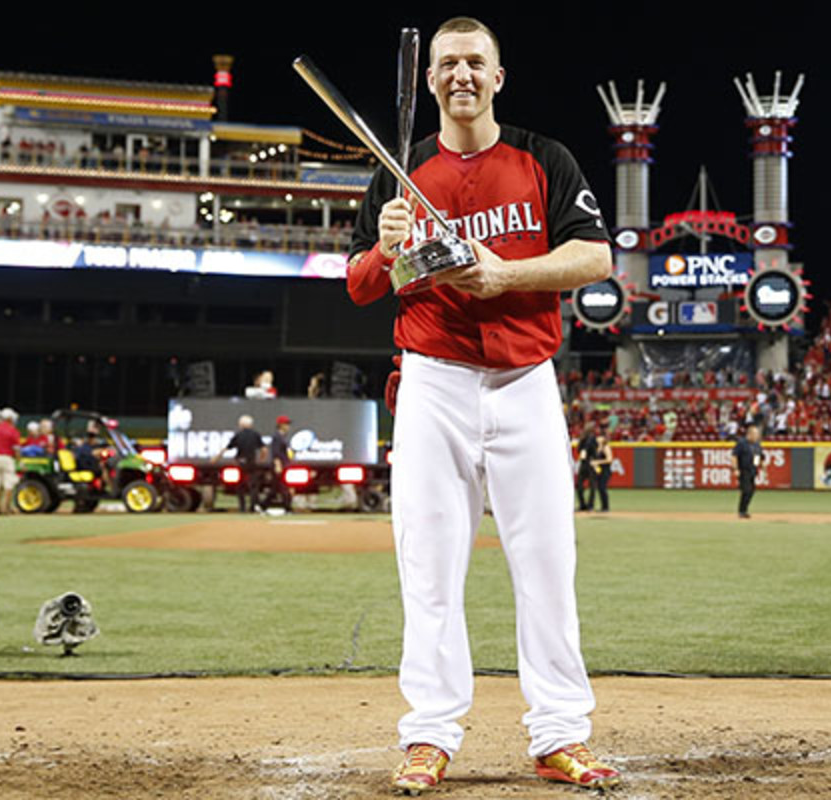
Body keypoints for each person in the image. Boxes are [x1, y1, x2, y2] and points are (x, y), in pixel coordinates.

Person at [346, 16, 620, 793]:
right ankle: (428, 736)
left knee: (547, 564)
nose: (461, 74)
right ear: (429, 80)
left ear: (498, 76)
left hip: (526, 380)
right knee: (429, 568)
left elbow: (594, 257)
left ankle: (560, 733)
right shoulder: (399, 175)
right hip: (432, 382)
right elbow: (360, 284)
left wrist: (506, 276)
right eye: (447, 64)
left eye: (475, 62)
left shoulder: (545, 159)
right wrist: (387, 245)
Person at [214, 414, 266, 513]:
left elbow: (227, 448)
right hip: (251, 463)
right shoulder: (255, 435)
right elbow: (264, 449)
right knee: (253, 486)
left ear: (241, 425)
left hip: (241, 463)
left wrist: (216, 458)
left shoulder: (238, 435)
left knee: (240, 486)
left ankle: (242, 507)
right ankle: (253, 506)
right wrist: (262, 459)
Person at [732, 423, 763, 519]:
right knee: (746, 490)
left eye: (757, 434)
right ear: (749, 434)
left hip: (752, 470)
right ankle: (741, 511)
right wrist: (735, 469)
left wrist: (760, 466)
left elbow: (758, 456)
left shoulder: (757, 445)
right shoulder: (742, 443)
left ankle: (744, 510)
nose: (757, 436)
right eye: (755, 434)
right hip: (743, 470)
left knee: (752, 490)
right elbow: (734, 456)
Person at [268, 414, 293, 512]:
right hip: (280, 465)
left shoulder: (283, 436)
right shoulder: (277, 437)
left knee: (277, 488)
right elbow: (276, 452)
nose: (288, 426)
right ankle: (287, 508)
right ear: (281, 425)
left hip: (284, 465)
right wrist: (278, 465)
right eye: (286, 424)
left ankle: (262, 506)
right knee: (282, 487)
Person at [574, 425, 598, 511]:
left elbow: (593, 450)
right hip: (584, 463)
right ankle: (583, 505)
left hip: (591, 462)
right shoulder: (583, 439)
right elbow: (579, 449)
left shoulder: (592, 438)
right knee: (580, 485)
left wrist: (584, 449)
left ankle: (590, 505)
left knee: (592, 485)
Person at [591, 433, 613, 512]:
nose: (598, 439)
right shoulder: (598, 448)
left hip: (606, 470)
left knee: (602, 487)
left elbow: (609, 459)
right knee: (600, 487)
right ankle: (603, 507)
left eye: (600, 437)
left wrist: (597, 462)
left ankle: (606, 507)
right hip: (600, 470)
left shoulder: (606, 447)